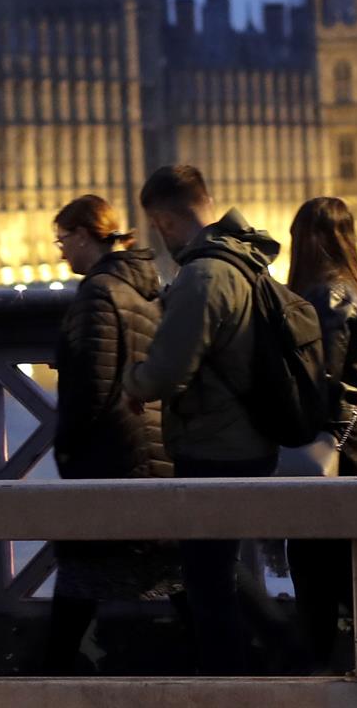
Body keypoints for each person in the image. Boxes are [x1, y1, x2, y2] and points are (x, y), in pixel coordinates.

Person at [123, 164, 279, 676]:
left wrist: (132, 381)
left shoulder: (202, 275)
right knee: (222, 572)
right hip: (251, 436)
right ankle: (279, 656)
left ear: (164, 222)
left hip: (214, 445)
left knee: (208, 586)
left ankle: (230, 685)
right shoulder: (246, 259)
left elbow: (166, 371)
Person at [44, 194, 179, 674]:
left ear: (85, 235)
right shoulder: (144, 287)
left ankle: (48, 677)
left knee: (84, 571)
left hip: (112, 458)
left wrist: (67, 449)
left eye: (63, 239)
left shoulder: (99, 293)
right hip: (152, 451)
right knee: (174, 569)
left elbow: (92, 388)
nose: (61, 250)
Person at [282, 196, 357, 671]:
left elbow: (323, 379)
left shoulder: (327, 294)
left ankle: (316, 668)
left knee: (314, 565)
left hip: (339, 443)